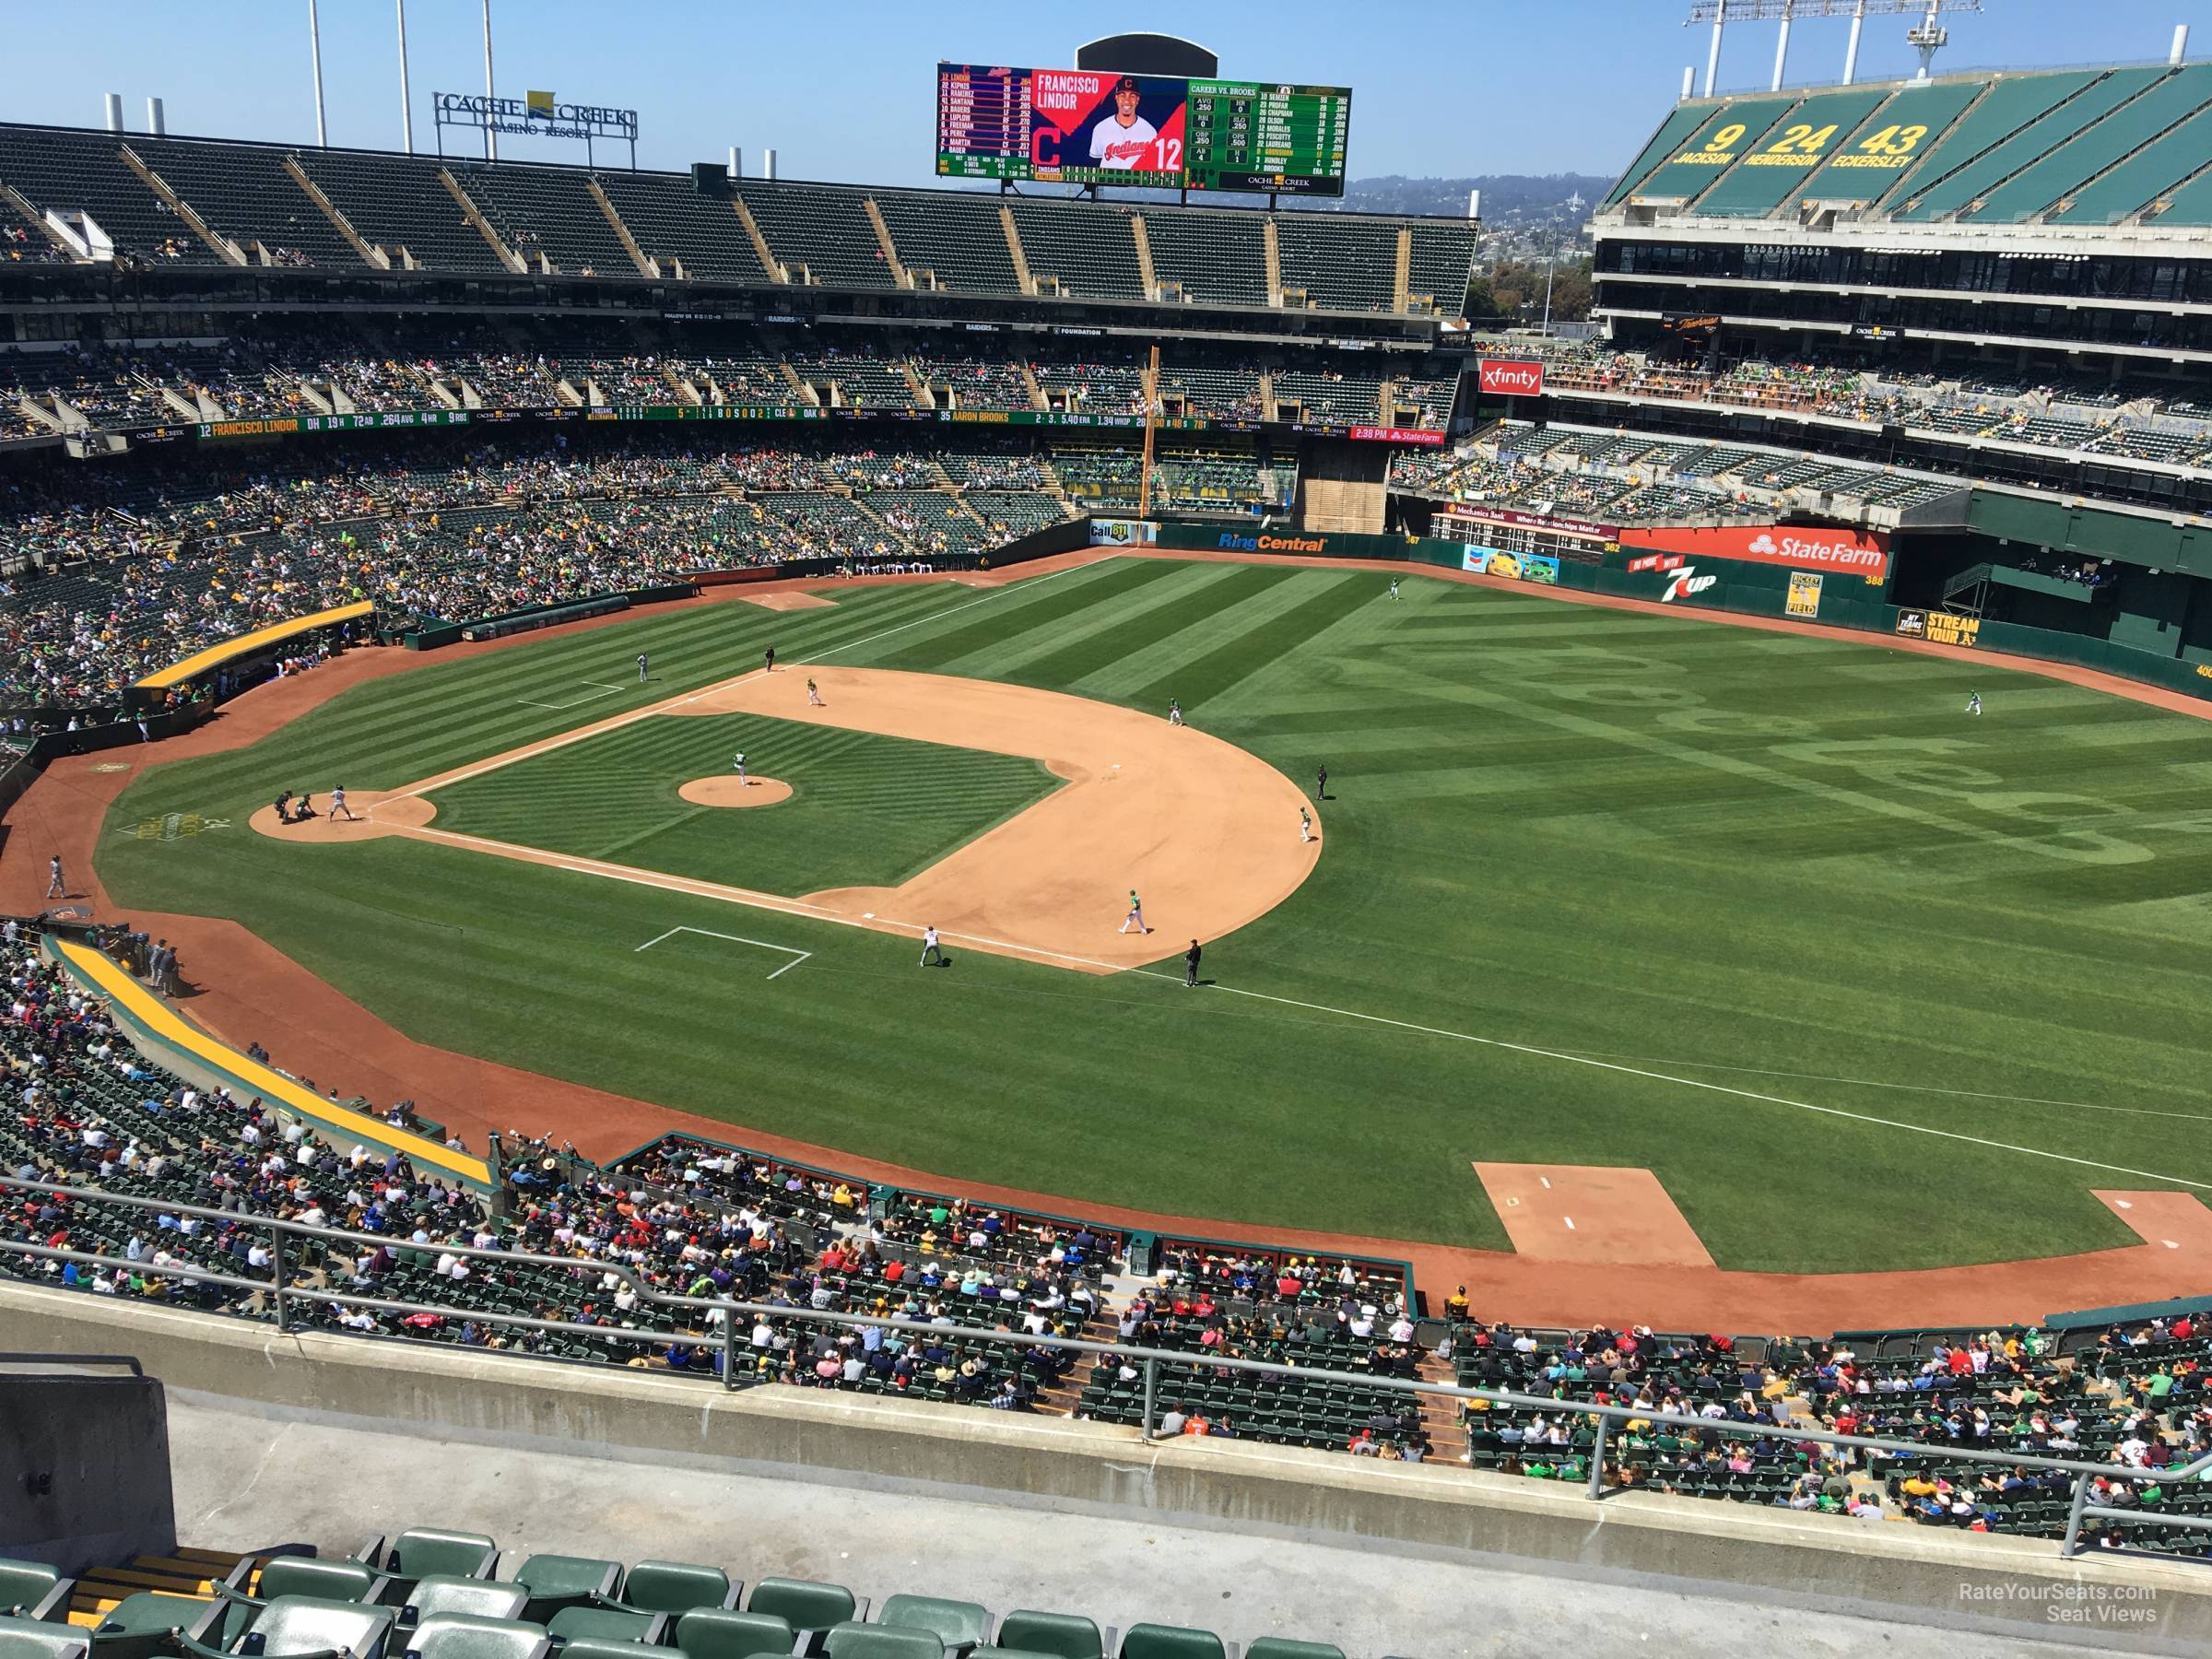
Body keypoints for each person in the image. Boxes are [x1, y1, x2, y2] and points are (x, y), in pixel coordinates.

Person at [1090, 76, 1157, 171]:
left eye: (1132, 96)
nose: (1127, 100)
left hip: (1138, 186)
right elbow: (1094, 164)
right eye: (1122, 95)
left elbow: (1152, 167)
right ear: (1116, 98)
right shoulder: (1101, 128)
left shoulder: (1150, 131)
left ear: (1138, 100)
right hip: (1106, 184)